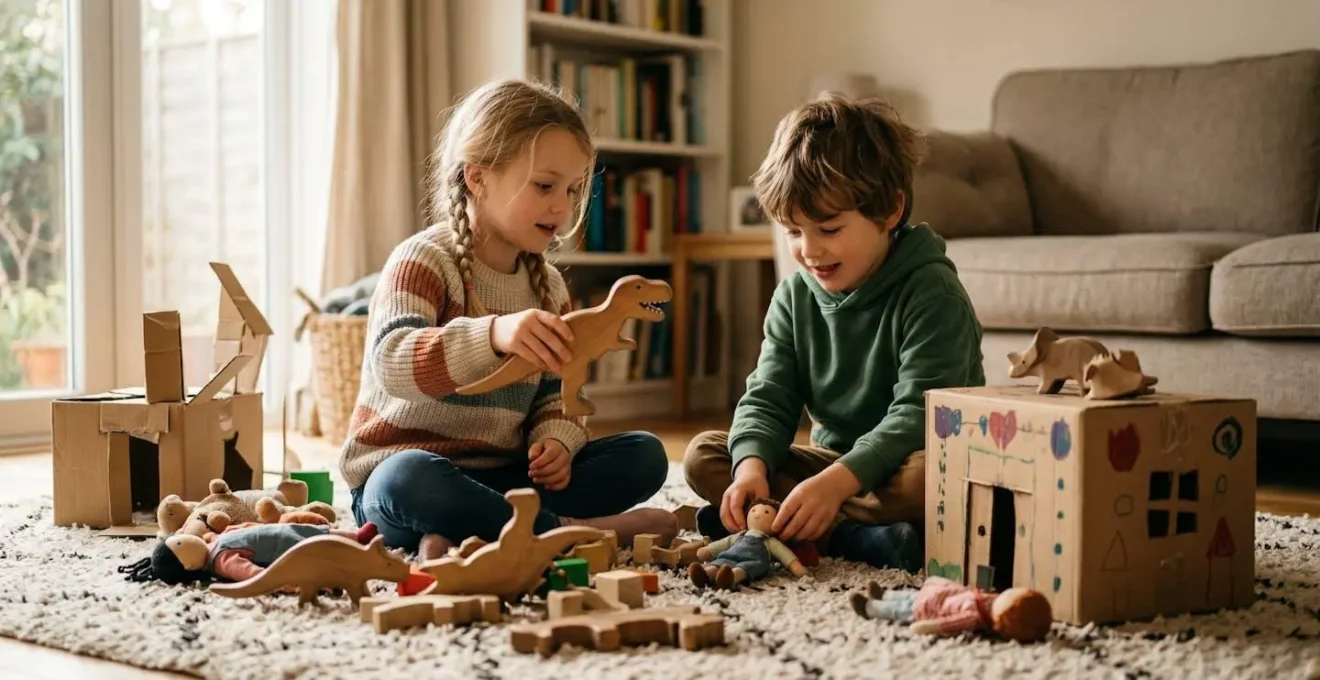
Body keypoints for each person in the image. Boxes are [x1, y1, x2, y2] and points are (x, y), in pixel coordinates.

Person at [339, 79, 676, 560]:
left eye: (573, 189)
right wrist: (494, 334)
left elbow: (559, 392)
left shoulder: (549, 286)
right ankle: (566, 530)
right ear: (477, 177)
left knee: (644, 455)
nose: (561, 206)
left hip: (505, 480)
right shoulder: (423, 261)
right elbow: (394, 363)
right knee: (408, 480)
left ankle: (470, 534)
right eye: (544, 185)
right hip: (402, 473)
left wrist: (555, 441)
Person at [683, 92, 985, 572]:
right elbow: (769, 397)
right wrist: (751, 471)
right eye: (793, 231)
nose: (809, 251)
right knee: (705, 457)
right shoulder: (793, 296)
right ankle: (853, 536)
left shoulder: (932, 293)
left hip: (903, 463)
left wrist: (838, 484)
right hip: (835, 465)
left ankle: (796, 524)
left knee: (931, 477)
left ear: (890, 210)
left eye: (828, 228)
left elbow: (919, 415)